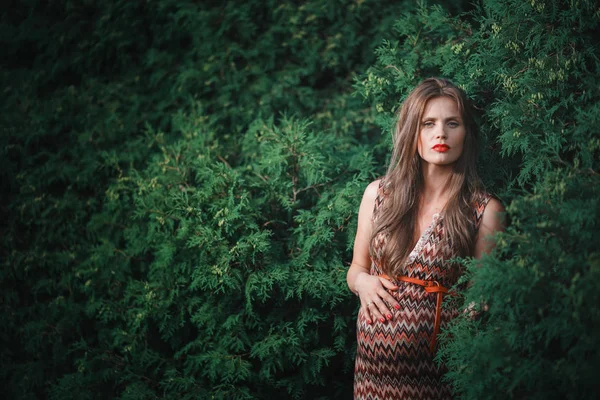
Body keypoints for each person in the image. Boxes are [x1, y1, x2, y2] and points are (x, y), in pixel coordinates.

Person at [347, 77, 505, 399]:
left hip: (438, 381)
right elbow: (356, 270)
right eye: (428, 123)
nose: (441, 134)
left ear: (466, 134)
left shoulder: (484, 210)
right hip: (371, 379)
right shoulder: (378, 195)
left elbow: (480, 300)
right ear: (412, 132)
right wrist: (363, 283)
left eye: (452, 123)